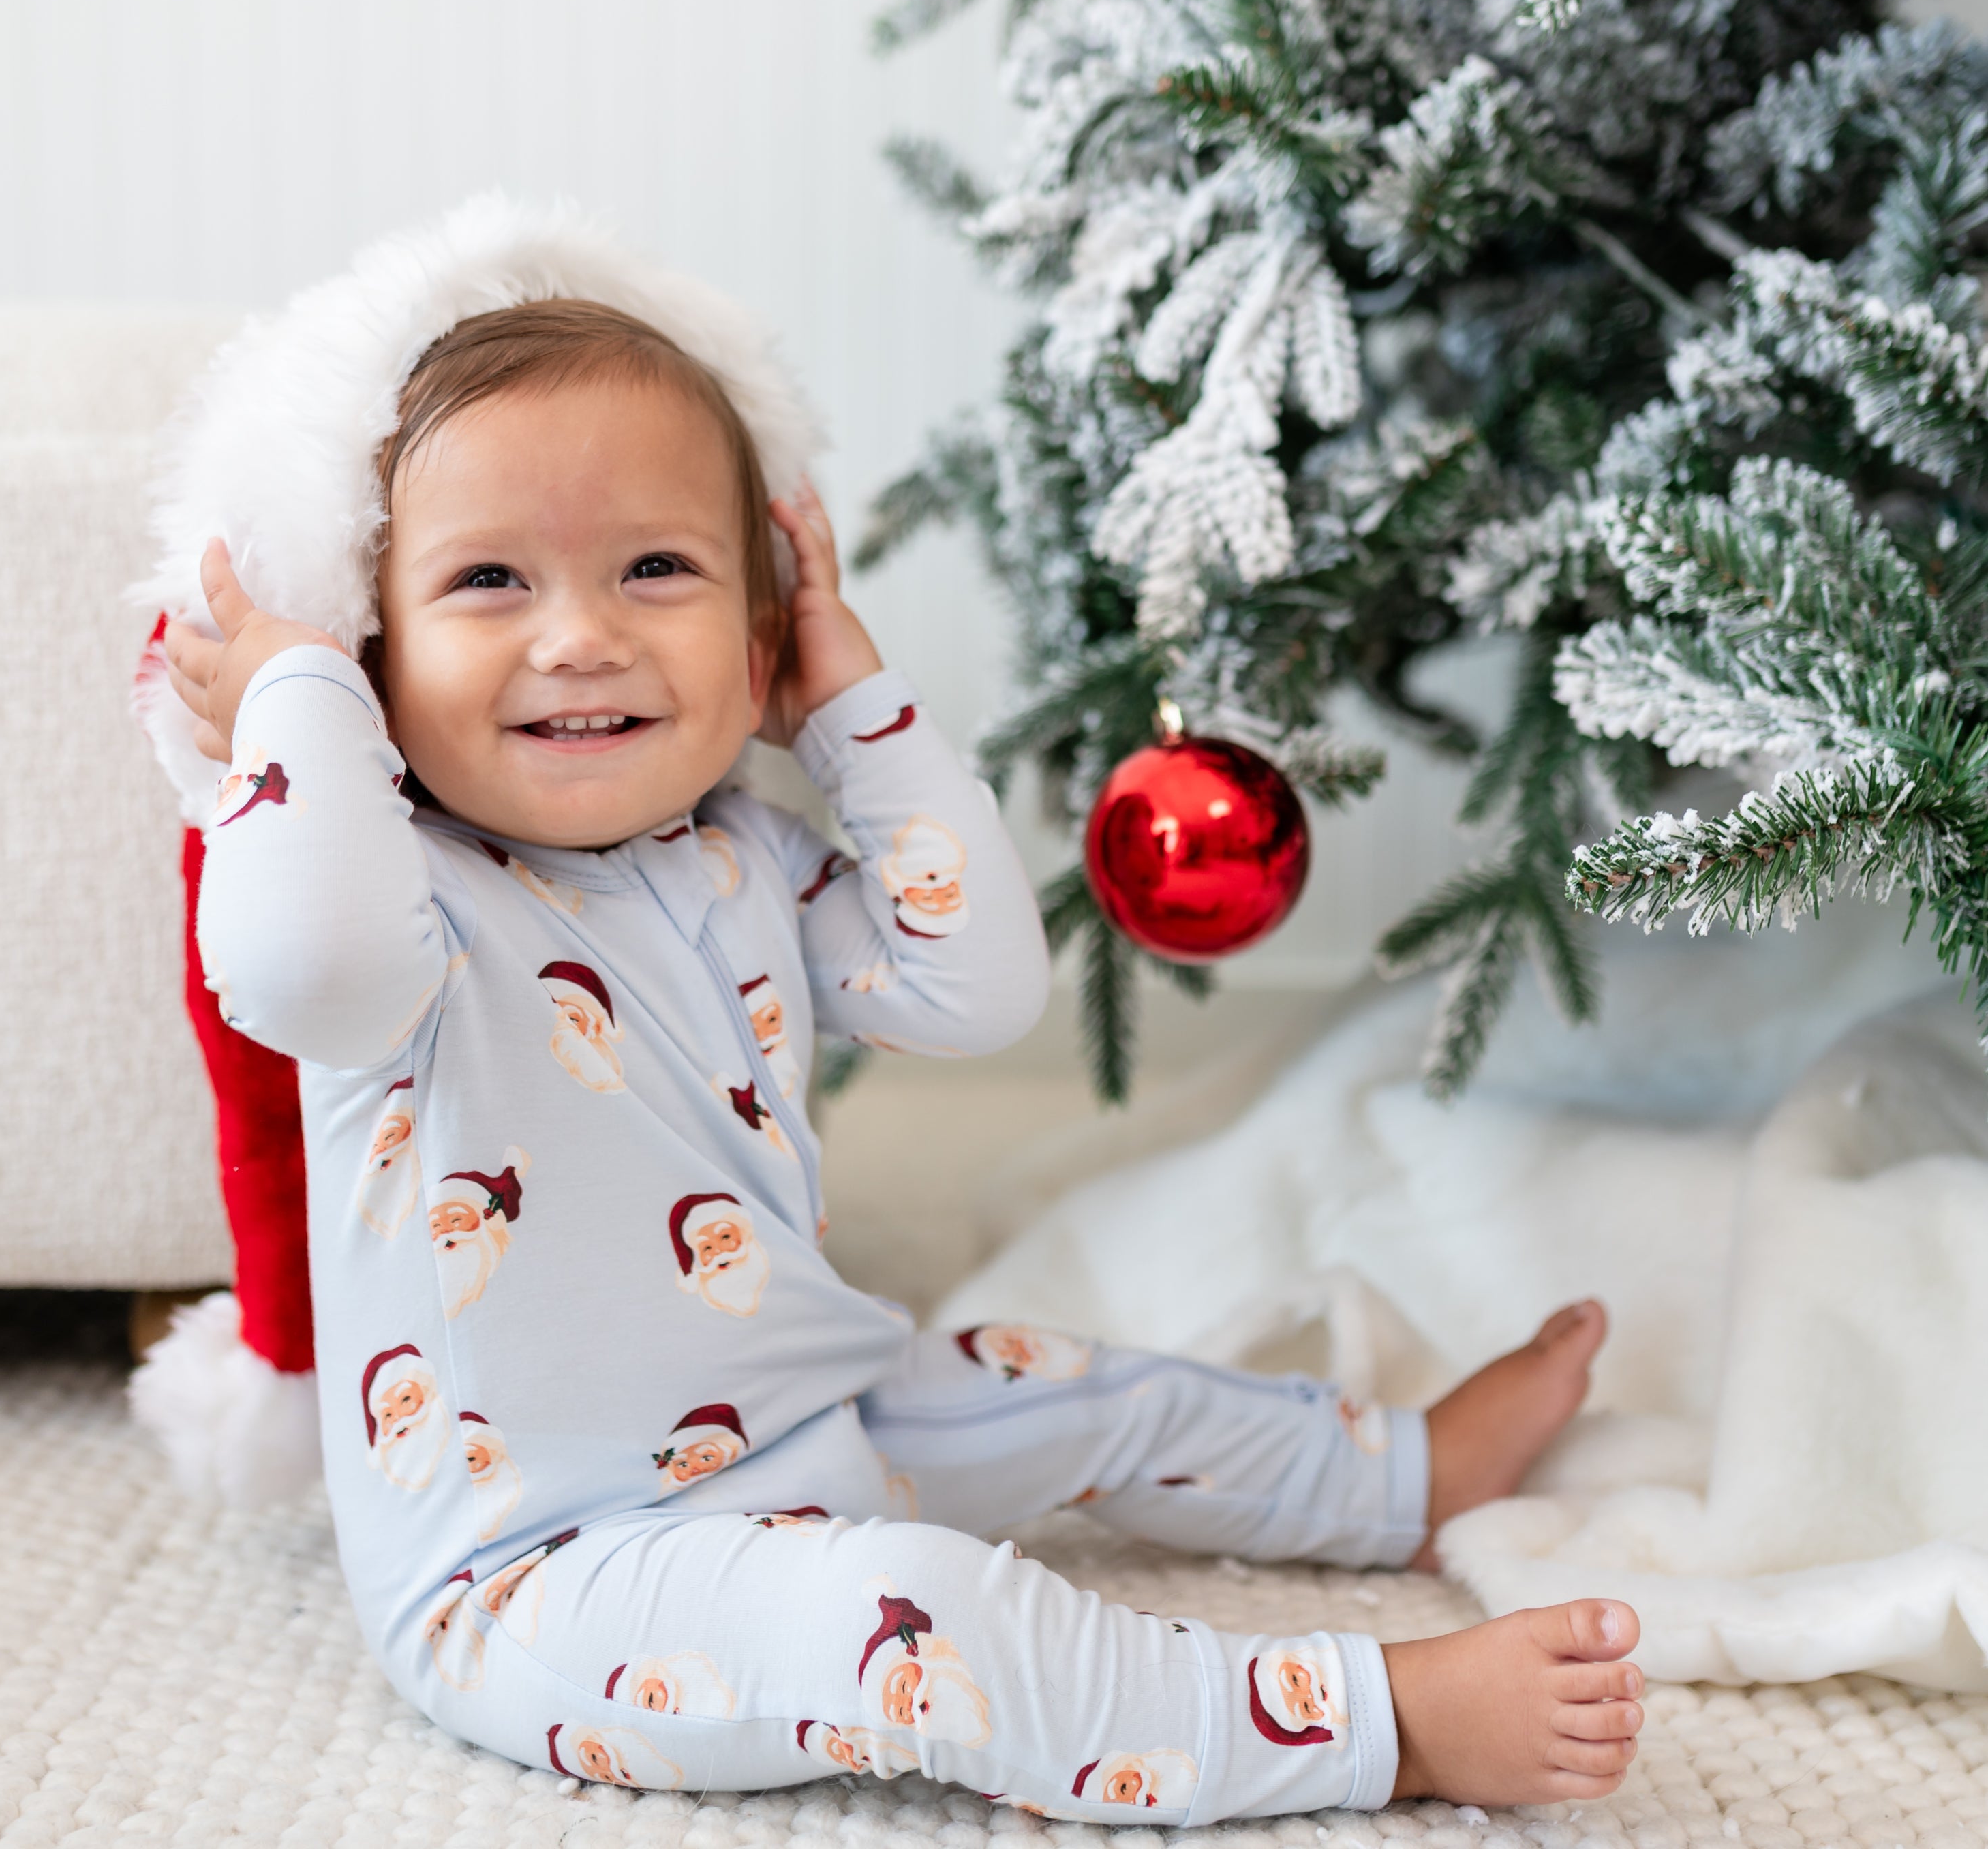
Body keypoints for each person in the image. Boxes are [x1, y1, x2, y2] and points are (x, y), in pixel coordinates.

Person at [161, 254, 1642, 1825]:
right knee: (916, 1622)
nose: (581, 636)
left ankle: (1402, 1478)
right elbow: (300, 966)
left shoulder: (740, 853)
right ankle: (1377, 1725)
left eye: (656, 567)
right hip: (548, 1568)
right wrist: (297, 696)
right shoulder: (396, 900)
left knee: (1079, 1386)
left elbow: (972, 986)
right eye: (487, 582)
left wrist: (851, 709)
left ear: (759, 635)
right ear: (373, 655)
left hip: (816, 1411)